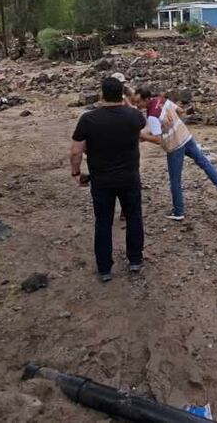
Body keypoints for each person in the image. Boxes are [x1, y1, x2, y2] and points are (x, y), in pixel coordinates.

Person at [70, 77, 147, 282]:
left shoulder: (88, 119)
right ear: (122, 94)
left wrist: (76, 173)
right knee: (134, 217)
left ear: (101, 94)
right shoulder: (134, 116)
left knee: (103, 222)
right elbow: (141, 125)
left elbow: (76, 152)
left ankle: (104, 268)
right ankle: (135, 260)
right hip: (130, 178)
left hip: (101, 180)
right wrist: (125, 102)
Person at [132, 87, 217, 221]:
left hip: (174, 146)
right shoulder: (162, 100)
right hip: (186, 136)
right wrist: (170, 124)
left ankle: (178, 211)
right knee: (204, 163)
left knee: (175, 180)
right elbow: (180, 110)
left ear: (146, 99)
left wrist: (142, 135)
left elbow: (157, 139)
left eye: (139, 102)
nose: (137, 105)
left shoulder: (152, 116)